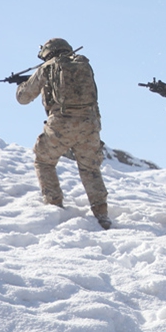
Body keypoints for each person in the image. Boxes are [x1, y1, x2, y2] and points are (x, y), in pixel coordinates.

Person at [16, 38, 111, 230]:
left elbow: (23, 98)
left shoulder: (47, 67)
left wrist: (21, 85)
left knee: (44, 161)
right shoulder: (83, 65)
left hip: (61, 123)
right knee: (90, 169)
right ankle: (101, 214)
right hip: (89, 124)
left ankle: (54, 205)